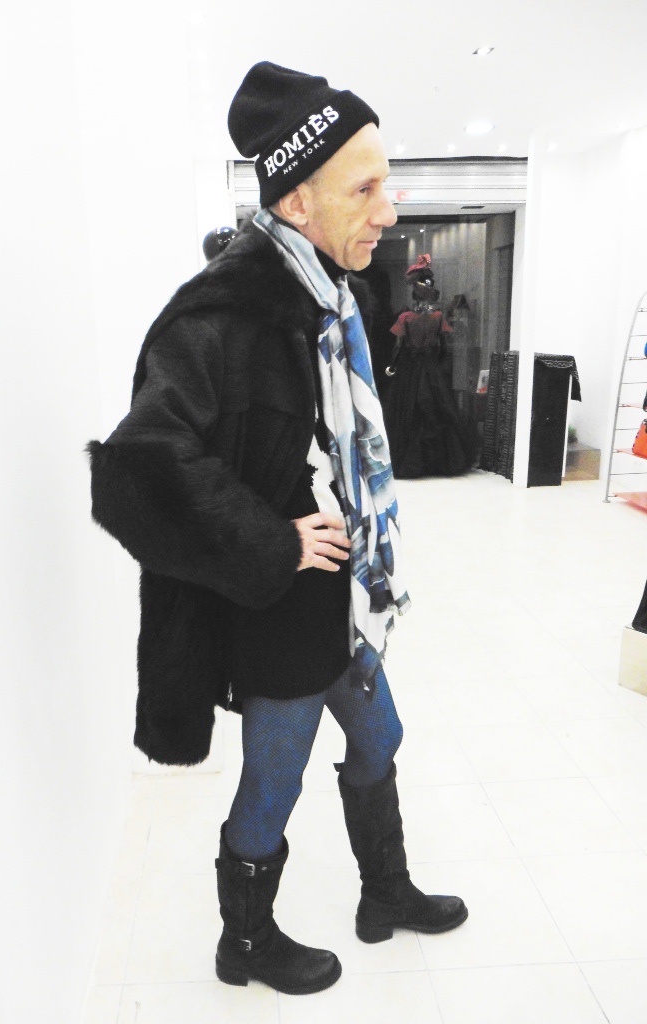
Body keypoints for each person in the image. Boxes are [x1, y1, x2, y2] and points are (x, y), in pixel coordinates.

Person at [86, 60, 467, 998]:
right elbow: (139, 470)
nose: (389, 210)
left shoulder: (331, 294)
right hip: (281, 601)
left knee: (381, 735)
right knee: (275, 780)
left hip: (343, 591)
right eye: (365, 190)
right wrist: (275, 540)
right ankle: (246, 943)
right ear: (298, 201)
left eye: (387, 183)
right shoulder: (220, 315)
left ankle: (385, 892)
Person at [383, 254, 476, 478]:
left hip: (410, 369)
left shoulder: (406, 317)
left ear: (415, 293)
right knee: (436, 410)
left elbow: (399, 346)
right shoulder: (437, 317)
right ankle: (441, 462)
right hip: (431, 368)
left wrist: (392, 367)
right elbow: (443, 347)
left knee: (410, 412)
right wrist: (438, 366)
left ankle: (411, 461)